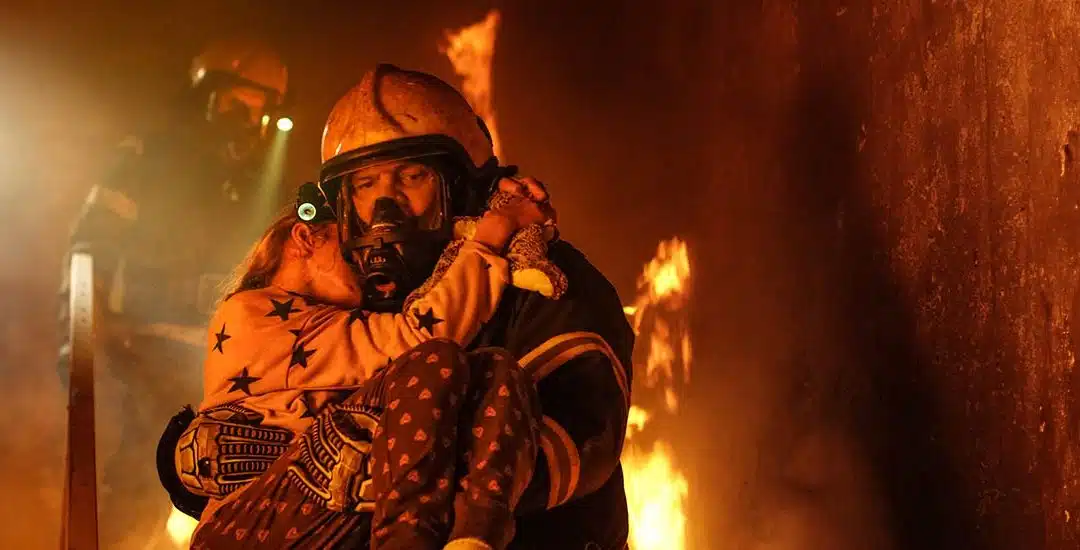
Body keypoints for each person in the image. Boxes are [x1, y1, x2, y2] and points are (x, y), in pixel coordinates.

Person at [162, 64, 634, 549]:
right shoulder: (347, 291)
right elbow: (268, 408)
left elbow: (581, 436)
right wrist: (194, 461)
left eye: (411, 176)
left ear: (458, 183)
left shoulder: (543, 279)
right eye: (366, 186)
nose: (385, 207)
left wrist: (390, 473)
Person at [59, 37, 292, 549]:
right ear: (206, 97)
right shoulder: (150, 155)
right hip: (143, 339)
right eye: (235, 104)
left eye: (257, 110)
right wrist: (81, 327)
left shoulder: (259, 176)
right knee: (146, 462)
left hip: (225, 352)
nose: (245, 120)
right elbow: (91, 240)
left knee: (228, 474)